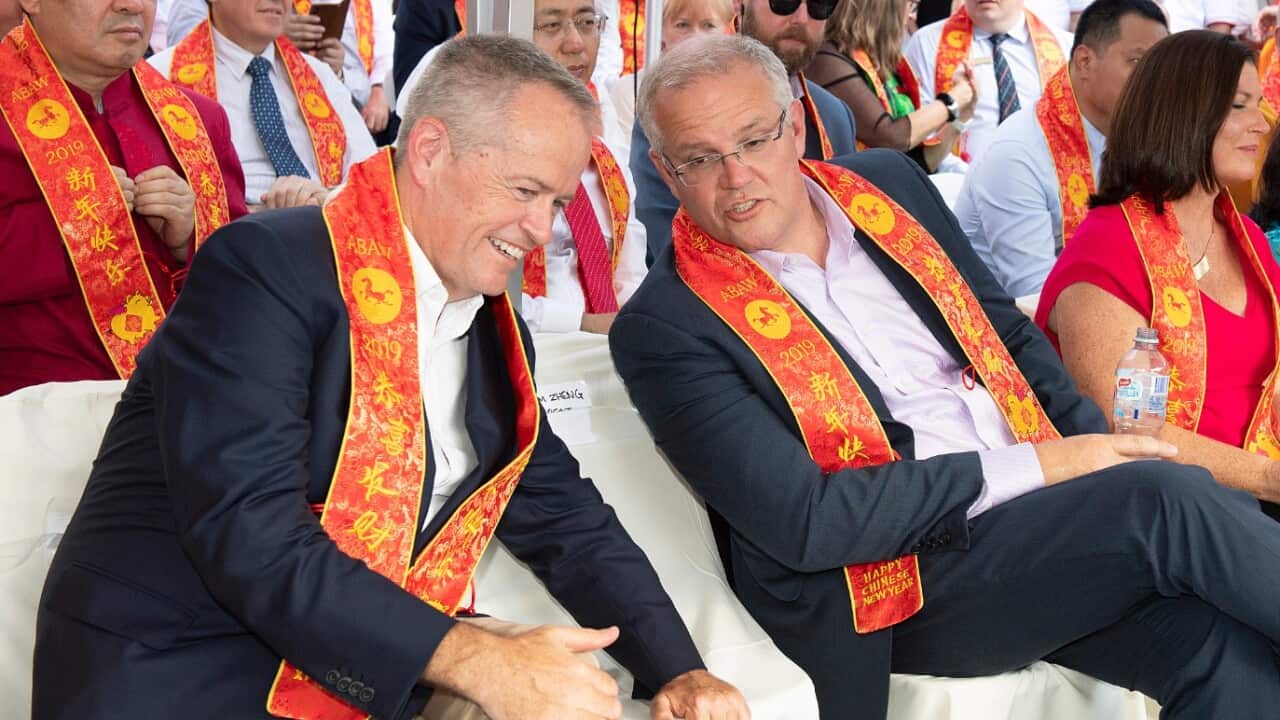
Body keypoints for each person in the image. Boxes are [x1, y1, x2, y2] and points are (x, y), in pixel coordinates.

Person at [32, 34, 750, 720]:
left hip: (361, 671)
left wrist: (681, 671)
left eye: (558, 202)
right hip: (183, 676)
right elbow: (248, 534)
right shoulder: (264, 269)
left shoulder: (489, 320)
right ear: (431, 149)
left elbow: (566, 519)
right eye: (526, 189)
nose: (540, 229)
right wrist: (473, 657)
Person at [612, 31, 1280, 720]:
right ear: (666, 173)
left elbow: (1008, 333)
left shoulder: (890, 186)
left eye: (753, 140)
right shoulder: (667, 327)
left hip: (1052, 528)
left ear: (797, 127)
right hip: (901, 582)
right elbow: (806, 523)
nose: (736, 175)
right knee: (1165, 499)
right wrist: (1050, 465)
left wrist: (1095, 455)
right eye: (701, 158)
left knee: (1228, 655)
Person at [1038, 31, 1280, 518]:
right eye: (1238, 106)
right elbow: (1127, 434)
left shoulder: (1245, 237)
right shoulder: (1107, 252)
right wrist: (1268, 479)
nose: (1261, 124)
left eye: (1259, 105)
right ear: (1182, 114)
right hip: (1174, 519)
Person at [0, 0, 246, 396]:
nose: (131, 5)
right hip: (30, 419)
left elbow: (248, 284)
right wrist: (69, 221)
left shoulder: (197, 121)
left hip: (189, 403)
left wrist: (191, 240)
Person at [954, 0, 1167, 296]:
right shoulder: (1017, 153)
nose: (1155, 81)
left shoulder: (1141, 138)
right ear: (1085, 62)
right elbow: (1036, 296)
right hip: (1016, 329)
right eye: (1137, 62)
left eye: (1160, 67)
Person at [631, 0, 857, 261]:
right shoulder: (675, 112)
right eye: (784, 2)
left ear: (795, 127)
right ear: (739, 3)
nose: (801, 18)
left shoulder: (835, 115)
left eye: (820, 4)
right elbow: (670, 250)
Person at [150, 0, 378, 210]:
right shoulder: (160, 79)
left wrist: (325, 198)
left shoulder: (320, 76)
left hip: (322, 224)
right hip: (225, 239)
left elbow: (371, 174)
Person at [806, 0, 978, 172]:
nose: (912, 16)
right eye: (911, 5)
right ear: (884, 7)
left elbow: (919, 163)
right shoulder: (827, 58)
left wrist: (961, 116)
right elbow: (890, 138)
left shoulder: (883, 65)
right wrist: (951, 101)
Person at [904, 0, 1072, 164]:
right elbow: (917, 139)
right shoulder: (926, 43)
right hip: (954, 183)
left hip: (1041, 181)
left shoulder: (1066, 48)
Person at [605, 0, 735, 161]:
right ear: (659, 30)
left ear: (725, 30)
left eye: (708, 25)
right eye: (682, 25)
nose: (695, 36)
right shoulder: (629, 92)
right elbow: (624, 165)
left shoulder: (737, 90)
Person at [285, 0, 396, 136]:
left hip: (356, 102)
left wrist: (379, 89)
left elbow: (386, 50)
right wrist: (278, 36)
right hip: (294, 103)